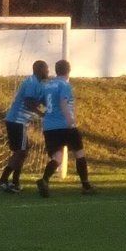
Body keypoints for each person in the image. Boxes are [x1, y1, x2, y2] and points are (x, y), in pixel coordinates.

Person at [38, 58, 95, 197]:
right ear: (68, 71)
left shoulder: (48, 86)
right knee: (79, 154)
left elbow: (42, 102)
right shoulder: (65, 85)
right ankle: (86, 185)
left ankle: (44, 180)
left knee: (57, 157)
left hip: (49, 126)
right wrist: (70, 119)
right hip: (65, 125)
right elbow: (63, 102)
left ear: (56, 71)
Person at [0, 60, 49, 192]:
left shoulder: (39, 84)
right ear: (39, 69)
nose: (48, 72)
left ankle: (14, 182)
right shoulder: (31, 82)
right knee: (21, 152)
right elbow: (29, 102)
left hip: (20, 122)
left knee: (22, 152)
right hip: (16, 120)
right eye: (46, 69)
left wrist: (50, 110)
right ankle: (3, 181)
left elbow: (42, 102)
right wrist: (43, 113)